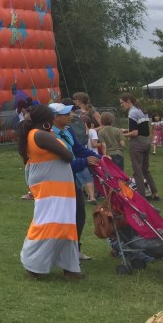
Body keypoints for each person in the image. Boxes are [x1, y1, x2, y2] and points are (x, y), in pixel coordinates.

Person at [17, 105, 82, 279]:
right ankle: (33, 264)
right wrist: (53, 137)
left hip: (58, 189)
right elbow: (68, 155)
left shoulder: (37, 134)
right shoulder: (41, 135)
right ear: (47, 120)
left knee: (66, 226)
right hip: (53, 190)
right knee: (52, 225)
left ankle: (70, 268)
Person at [50, 102, 100, 262]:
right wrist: (86, 162)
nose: (70, 116)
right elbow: (62, 163)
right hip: (59, 182)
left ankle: (74, 249)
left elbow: (78, 150)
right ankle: (60, 253)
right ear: (55, 118)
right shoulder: (50, 136)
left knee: (79, 215)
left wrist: (100, 158)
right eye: (66, 114)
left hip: (73, 180)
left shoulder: (67, 130)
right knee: (63, 218)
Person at [120, 93, 159, 200]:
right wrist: (126, 130)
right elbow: (142, 129)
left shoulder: (132, 112)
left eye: (122, 103)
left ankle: (141, 198)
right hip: (146, 142)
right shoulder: (141, 110)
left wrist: (123, 134)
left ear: (128, 101)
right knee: (146, 170)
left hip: (137, 143)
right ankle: (155, 193)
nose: (121, 105)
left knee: (137, 172)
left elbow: (135, 133)